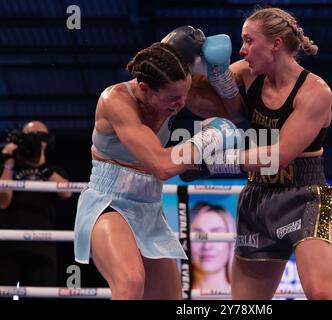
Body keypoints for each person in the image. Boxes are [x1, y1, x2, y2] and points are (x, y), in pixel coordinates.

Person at [186, 7, 332, 299]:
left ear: (276, 44)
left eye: (248, 41)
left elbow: (281, 154)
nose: (242, 50)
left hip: (304, 196)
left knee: (323, 295)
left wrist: (214, 162)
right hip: (257, 197)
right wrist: (188, 69)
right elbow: (198, 100)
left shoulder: (315, 92)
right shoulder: (247, 73)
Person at [73, 34, 242, 300]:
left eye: (184, 95)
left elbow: (231, 116)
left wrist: (220, 76)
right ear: (144, 89)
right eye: (174, 98)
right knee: (130, 282)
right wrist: (208, 137)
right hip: (109, 203)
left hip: (149, 206)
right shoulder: (116, 101)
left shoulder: (171, 92)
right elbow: (162, 166)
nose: (181, 104)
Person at [0, 121, 72, 288]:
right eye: (31, 136)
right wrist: (8, 161)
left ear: (47, 142)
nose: (36, 141)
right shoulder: (7, 167)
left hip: (42, 245)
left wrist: (42, 166)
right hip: (6, 244)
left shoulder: (54, 170)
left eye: (41, 137)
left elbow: (67, 193)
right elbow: (3, 201)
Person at [190, 202, 235, 291]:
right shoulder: (171, 294)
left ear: (231, 244)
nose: (207, 246)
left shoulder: (253, 295)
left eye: (216, 235)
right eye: (198, 235)